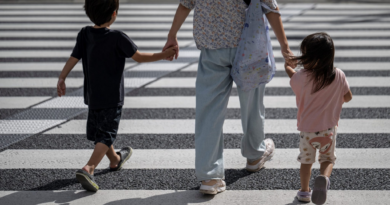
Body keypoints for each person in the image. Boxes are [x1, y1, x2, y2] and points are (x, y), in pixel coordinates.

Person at [163, 0, 294, 194]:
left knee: (209, 111)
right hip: (249, 47)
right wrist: (285, 48)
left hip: (213, 49)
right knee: (252, 105)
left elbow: (185, 4)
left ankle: (210, 175)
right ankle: (255, 154)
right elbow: (271, 8)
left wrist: (172, 35)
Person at [56, 0, 177, 192]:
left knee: (102, 131)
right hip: (112, 97)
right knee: (106, 134)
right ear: (114, 14)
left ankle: (115, 160)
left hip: (93, 96)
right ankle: (89, 168)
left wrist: (62, 77)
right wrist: (164, 55)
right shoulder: (118, 37)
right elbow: (139, 57)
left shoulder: (84, 34)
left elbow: (74, 57)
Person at [284, 32, 353, 204]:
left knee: (306, 161)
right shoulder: (338, 75)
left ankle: (305, 191)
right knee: (328, 159)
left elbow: (292, 76)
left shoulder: (302, 77)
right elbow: (348, 97)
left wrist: (288, 65)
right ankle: (324, 178)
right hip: (328, 129)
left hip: (307, 130)